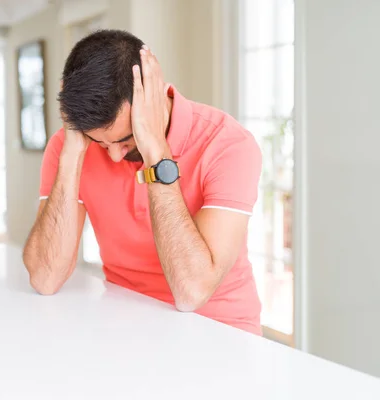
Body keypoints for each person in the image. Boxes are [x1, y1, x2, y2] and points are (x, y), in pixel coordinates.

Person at [22, 29, 263, 335]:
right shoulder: (73, 144)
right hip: (128, 323)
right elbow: (45, 278)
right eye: (100, 143)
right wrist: (71, 157)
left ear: (155, 94)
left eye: (125, 140)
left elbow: (191, 292)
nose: (112, 157)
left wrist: (157, 156)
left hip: (221, 330)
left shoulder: (228, 144)